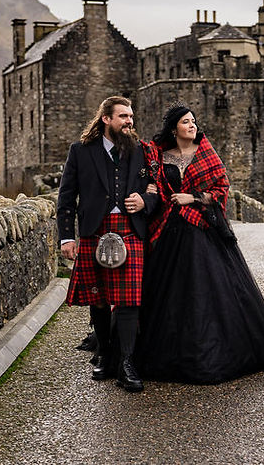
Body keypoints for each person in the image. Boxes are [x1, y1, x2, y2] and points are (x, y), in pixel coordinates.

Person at [137, 105, 264, 384]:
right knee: (169, 294)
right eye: (185, 122)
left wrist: (191, 197)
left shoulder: (205, 152)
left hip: (203, 230)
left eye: (193, 121)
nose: (192, 126)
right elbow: (150, 182)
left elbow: (220, 190)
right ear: (173, 128)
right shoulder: (158, 156)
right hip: (170, 232)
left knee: (211, 290)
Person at [57, 96, 160, 393]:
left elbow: (156, 189)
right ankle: (104, 353)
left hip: (129, 229)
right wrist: (66, 237)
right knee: (98, 297)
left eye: (131, 116)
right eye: (123, 116)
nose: (129, 121)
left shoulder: (141, 151)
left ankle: (125, 363)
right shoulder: (81, 151)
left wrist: (145, 200)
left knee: (128, 300)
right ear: (106, 119)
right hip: (94, 231)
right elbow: (66, 197)